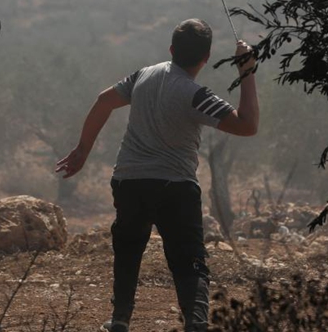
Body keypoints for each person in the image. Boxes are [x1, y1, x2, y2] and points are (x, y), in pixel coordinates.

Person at [56, 19, 259, 332]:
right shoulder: (196, 95)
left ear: (171, 49)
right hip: (175, 187)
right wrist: (246, 71)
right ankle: (196, 323)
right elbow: (247, 125)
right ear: (205, 59)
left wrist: (83, 150)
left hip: (129, 181)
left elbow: (104, 100)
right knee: (189, 261)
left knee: (128, 251)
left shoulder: (143, 75)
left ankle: (120, 320)